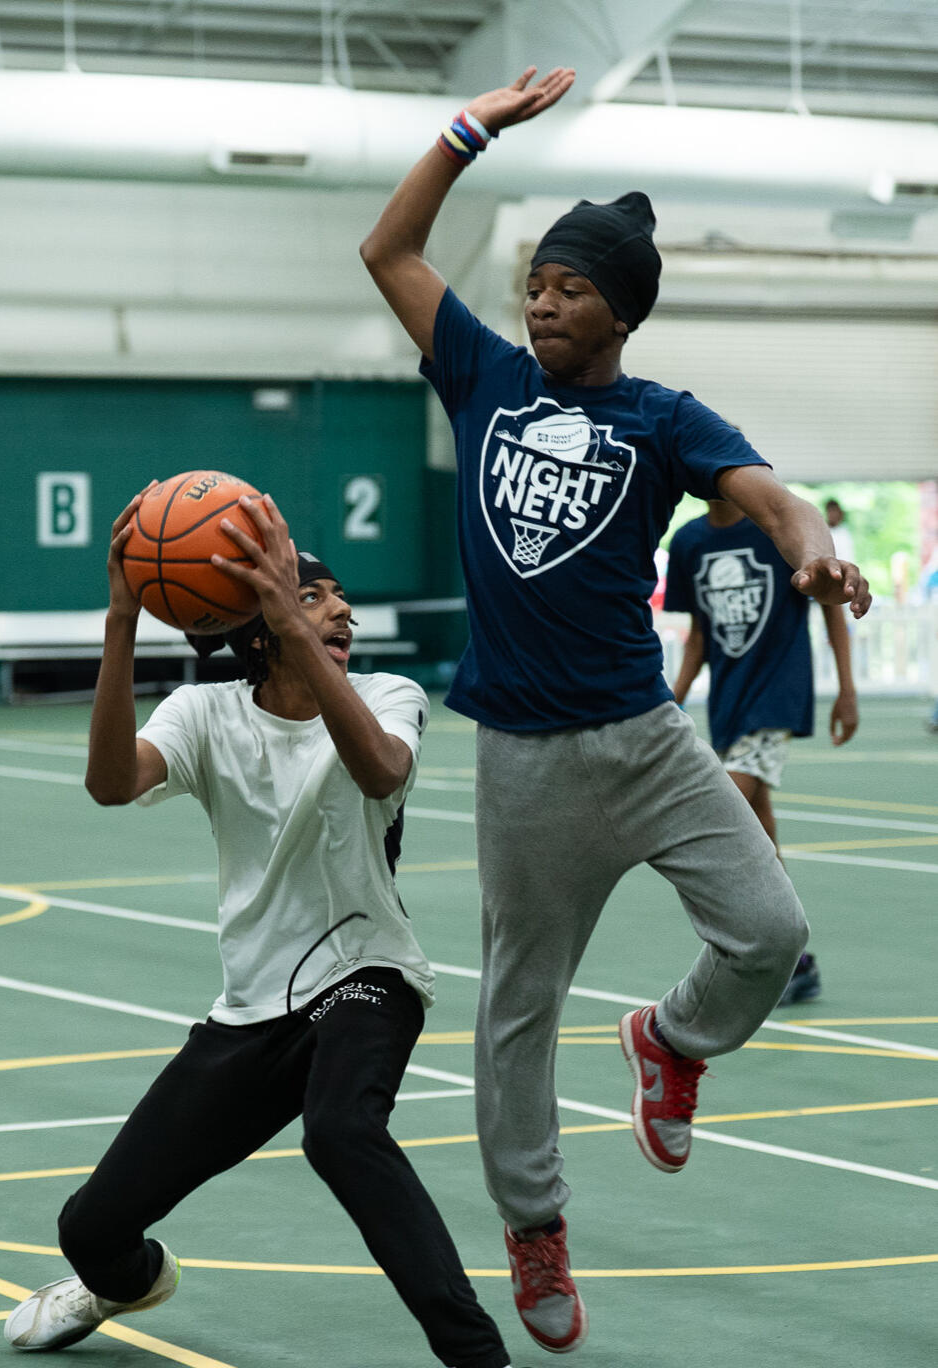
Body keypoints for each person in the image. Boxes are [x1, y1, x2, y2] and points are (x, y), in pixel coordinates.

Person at [359, 66, 872, 1356]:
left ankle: (672, 1039)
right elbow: (389, 246)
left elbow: (774, 496)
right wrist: (470, 129)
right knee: (515, 1011)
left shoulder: (659, 418)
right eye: (534, 278)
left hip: (644, 742)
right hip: (524, 763)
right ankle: (535, 1225)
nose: (539, 296)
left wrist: (810, 548)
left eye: (568, 284)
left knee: (767, 928)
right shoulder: (479, 373)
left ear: (620, 310)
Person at [3, 488, 513, 1368]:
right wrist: (123, 619)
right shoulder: (206, 715)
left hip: (368, 974)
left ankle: (476, 1355)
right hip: (250, 1011)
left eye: (334, 597)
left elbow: (380, 768)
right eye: (315, 596)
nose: (342, 608)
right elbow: (110, 782)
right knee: (90, 1228)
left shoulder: (389, 696)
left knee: (342, 1133)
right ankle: (123, 1279)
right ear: (256, 629)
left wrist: (295, 618)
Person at [666, 495, 860, 1004]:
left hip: (776, 696)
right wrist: (669, 704)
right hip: (729, 703)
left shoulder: (779, 532)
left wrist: (846, 689)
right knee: (758, 829)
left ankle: (741, 955)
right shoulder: (688, 542)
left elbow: (832, 607)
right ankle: (792, 959)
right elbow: (699, 639)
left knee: (721, 806)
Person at [824, 498, 856, 564]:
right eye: (830, 511)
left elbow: (847, 555)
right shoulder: (823, 531)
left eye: (834, 511)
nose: (832, 515)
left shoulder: (844, 533)